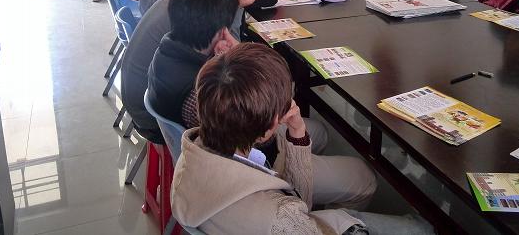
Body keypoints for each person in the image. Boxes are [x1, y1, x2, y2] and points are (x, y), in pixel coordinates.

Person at [171, 43, 434, 235]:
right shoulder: (282, 215)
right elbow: (299, 206)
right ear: (267, 131)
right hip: (288, 221)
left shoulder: (191, 153)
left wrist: (296, 132)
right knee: (422, 228)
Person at [120, 0, 277, 141]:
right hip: (154, 119)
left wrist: (233, 4)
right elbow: (234, 61)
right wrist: (234, 9)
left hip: (146, 100)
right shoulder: (206, 17)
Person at [147, 0, 240, 125]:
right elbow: (248, 129)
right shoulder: (200, 95)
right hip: (203, 135)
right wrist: (242, 56)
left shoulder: (166, 47)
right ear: (222, 31)